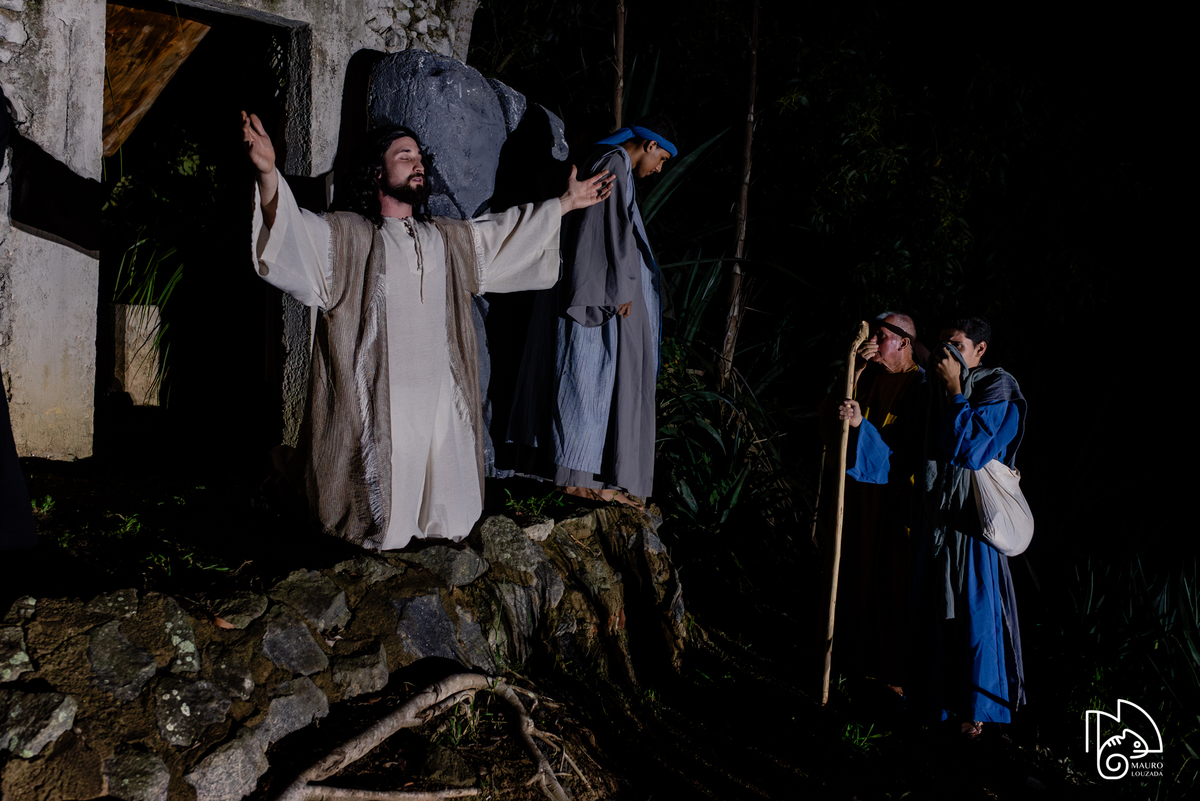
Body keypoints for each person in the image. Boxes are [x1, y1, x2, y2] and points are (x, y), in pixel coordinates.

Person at [241, 112, 612, 551]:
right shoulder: (350, 238)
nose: (418, 164)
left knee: (448, 514)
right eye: (404, 156)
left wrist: (564, 203)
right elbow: (293, 234)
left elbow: (501, 235)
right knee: (380, 520)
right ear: (377, 171)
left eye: (419, 156)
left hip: (436, 395)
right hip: (382, 398)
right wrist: (268, 173)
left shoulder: (444, 239)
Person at [507, 116, 679, 508]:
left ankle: (589, 477)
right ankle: (578, 478)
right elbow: (601, 225)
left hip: (597, 290)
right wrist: (615, 287)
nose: (659, 169)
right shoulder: (613, 160)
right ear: (650, 145)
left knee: (591, 381)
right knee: (587, 379)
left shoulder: (606, 159)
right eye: (663, 159)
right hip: (598, 295)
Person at [912, 316, 1027, 736]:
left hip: (974, 524)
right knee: (935, 606)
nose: (948, 353)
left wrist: (956, 390)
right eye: (943, 344)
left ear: (980, 350)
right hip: (939, 518)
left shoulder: (998, 387)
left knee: (976, 611)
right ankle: (936, 702)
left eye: (957, 345)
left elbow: (973, 450)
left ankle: (978, 711)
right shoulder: (933, 389)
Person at [828, 312, 927, 696]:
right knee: (854, 571)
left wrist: (861, 427)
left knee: (891, 582)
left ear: (903, 342)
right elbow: (832, 413)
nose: (874, 343)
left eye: (881, 336)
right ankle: (849, 660)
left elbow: (907, 449)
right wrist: (854, 371)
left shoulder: (920, 385)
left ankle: (892, 677)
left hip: (895, 502)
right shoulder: (868, 375)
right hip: (858, 499)